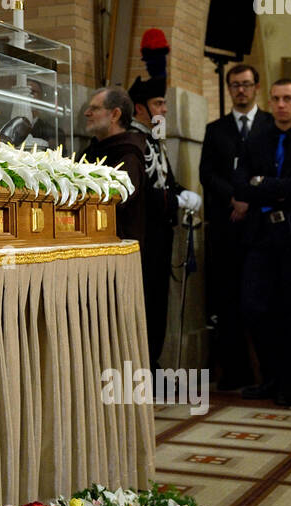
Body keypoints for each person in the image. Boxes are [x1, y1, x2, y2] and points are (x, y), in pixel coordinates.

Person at [199, 64, 274, 389]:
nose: (240, 90)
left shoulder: (272, 125)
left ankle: (272, 376)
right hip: (226, 227)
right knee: (227, 300)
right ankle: (234, 374)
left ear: (257, 86)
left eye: (246, 84)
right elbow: (207, 174)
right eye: (235, 86)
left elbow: (272, 173)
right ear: (228, 89)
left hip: (262, 228)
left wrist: (249, 199)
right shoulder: (216, 129)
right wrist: (235, 198)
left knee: (263, 302)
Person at [129, 77, 202, 370]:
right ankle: (144, 364)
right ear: (140, 108)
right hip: (144, 237)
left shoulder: (153, 139)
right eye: (158, 103)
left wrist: (182, 190)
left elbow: (165, 180)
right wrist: (175, 201)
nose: (164, 109)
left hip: (161, 235)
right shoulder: (135, 141)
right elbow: (144, 193)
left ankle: (154, 361)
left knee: (159, 301)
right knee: (146, 302)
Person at [232, 78, 291, 407]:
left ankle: (288, 382)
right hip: (261, 235)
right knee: (255, 306)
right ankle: (270, 378)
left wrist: (263, 184)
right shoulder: (258, 138)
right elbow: (241, 184)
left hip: (290, 235)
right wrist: (277, 186)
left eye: (288, 99)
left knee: (289, 309)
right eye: (276, 99)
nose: (281, 105)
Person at [83, 87, 146, 246]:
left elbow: (113, 201)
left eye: (95, 108)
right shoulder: (90, 151)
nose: (87, 113)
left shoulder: (128, 155)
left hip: (116, 246)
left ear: (115, 114)